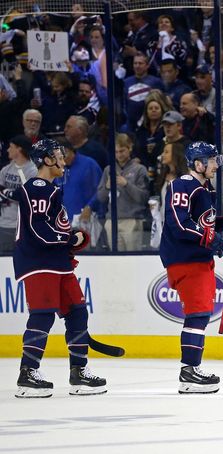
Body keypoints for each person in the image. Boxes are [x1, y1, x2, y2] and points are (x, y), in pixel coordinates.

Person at [14, 139, 106, 398]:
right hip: (38, 262)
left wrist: (72, 237)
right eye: (58, 156)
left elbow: (52, 228)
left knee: (77, 312)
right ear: (46, 160)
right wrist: (70, 239)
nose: (63, 161)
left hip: (57, 263)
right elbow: (38, 229)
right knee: (43, 314)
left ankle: (79, 372)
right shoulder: (38, 187)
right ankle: (27, 373)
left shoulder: (50, 189)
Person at [159, 141, 223, 394]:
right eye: (211, 160)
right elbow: (179, 223)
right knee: (198, 313)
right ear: (198, 163)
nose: (215, 165)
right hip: (185, 259)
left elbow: (208, 224)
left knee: (201, 312)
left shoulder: (206, 188)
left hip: (199, 259)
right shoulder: (182, 185)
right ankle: (189, 371)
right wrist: (210, 239)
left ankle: (191, 369)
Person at [0, 135, 37, 252]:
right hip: (4, 223)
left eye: (11, 147)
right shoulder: (6, 169)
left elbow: (25, 195)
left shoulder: (33, 171)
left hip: (24, 225)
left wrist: (6, 193)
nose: (7, 150)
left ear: (19, 149)